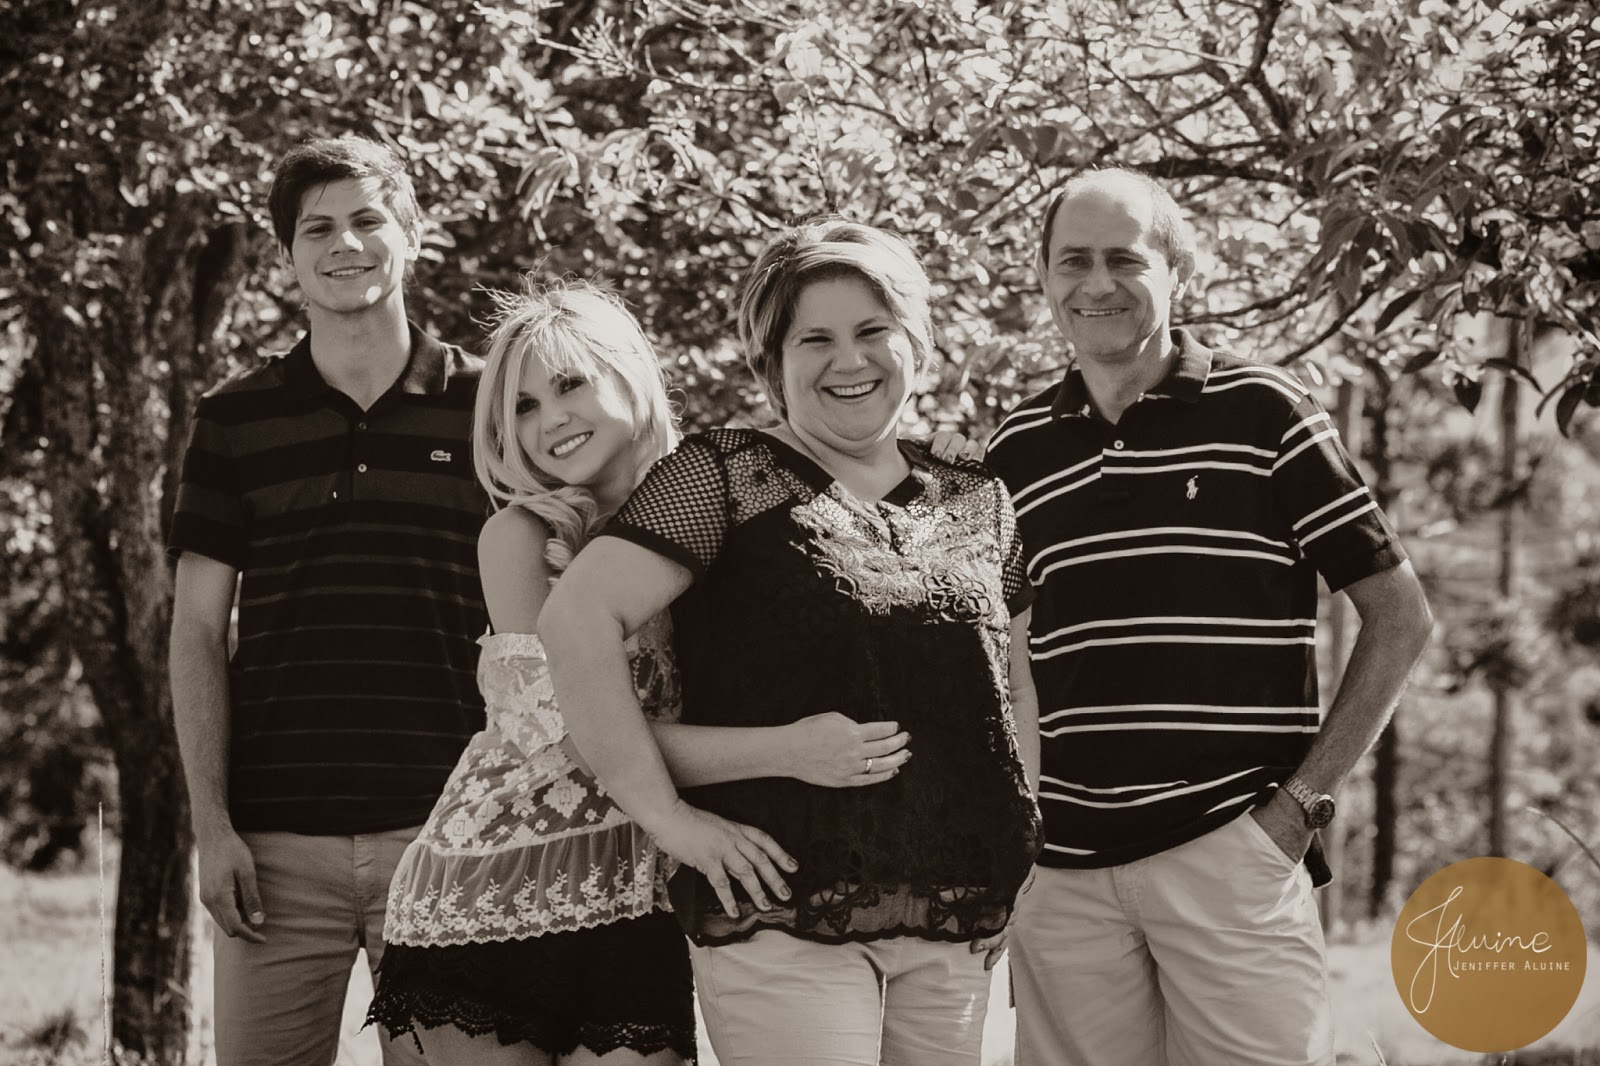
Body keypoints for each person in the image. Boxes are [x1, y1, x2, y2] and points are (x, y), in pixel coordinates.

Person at [366, 279, 912, 1065]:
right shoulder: (522, 537)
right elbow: (574, 737)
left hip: (644, 897)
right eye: (522, 407)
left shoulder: (717, 513)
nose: (550, 419)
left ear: (628, 372)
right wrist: (790, 750)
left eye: (569, 384)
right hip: (492, 895)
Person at [538, 220, 1044, 1066]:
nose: (850, 360)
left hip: (957, 914)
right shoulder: (723, 473)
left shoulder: (978, 494)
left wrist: (1019, 845)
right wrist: (670, 820)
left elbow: (1014, 688)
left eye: (872, 330)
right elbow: (575, 619)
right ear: (772, 361)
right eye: (816, 339)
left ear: (916, 342)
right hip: (780, 908)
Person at [982, 168, 1434, 1066]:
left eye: (1125, 259)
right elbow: (1006, 661)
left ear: (1178, 270)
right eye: (1074, 261)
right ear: (1044, 278)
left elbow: (1400, 617)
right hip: (1062, 875)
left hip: (1230, 849)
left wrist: (1297, 809)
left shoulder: (1268, 412)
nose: (1098, 283)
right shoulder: (1016, 448)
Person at [167, 135, 488, 1066]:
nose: (345, 244)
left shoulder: (492, 405)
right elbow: (196, 631)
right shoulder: (233, 419)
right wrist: (211, 825)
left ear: (411, 236)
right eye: (317, 229)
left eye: (367, 220)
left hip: (454, 832)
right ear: (287, 256)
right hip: (273, 852)